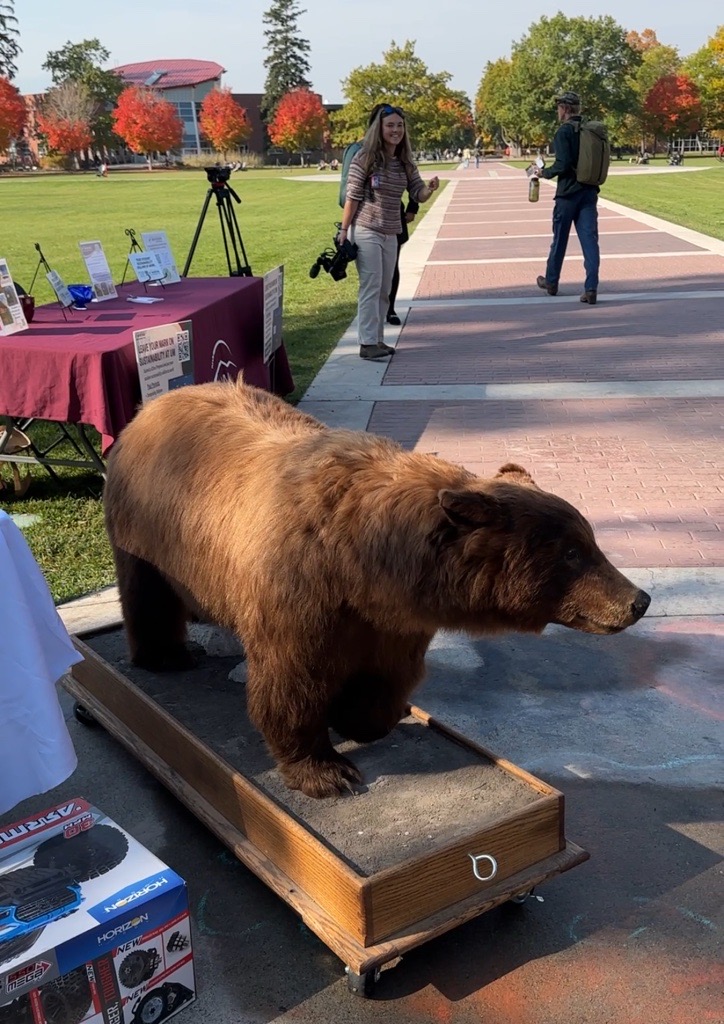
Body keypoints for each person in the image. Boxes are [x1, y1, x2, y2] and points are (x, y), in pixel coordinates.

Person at [338, 104, 439, 360]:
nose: (395, 130)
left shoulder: (404, 162)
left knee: (385, 287)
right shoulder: (365, 158)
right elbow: (352, 197)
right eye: (390, 125)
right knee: (371, 286)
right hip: (366, 229)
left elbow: (418, 192)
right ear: (379, 129)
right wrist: (344, 230)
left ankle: (378, 339)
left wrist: (430, 189)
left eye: (399, 126)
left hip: (391, 231)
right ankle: (366, 342)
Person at [534, 90, 600, 305]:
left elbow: (562, 164)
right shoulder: (589, 130)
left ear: (565, 109)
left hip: (568, 194)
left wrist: (544, 172)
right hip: (589, 191)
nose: (557, 111)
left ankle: (552, 281)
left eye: (559, 107)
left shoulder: (564, 132)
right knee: (590, 242)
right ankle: (591, 288)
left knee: (559, 239)